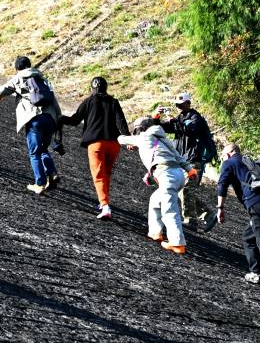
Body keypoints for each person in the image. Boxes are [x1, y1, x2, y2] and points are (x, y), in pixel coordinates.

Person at [119, 116, 198, 254]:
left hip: (166, 175)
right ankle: (155, 232)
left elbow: (122, 139)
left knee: (169, 209)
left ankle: (177, 243)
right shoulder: (162, 138)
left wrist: (124, 138)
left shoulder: (144, 137)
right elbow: (178, 156)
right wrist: (189, 169)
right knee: (155, 200)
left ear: (141, 129)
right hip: (178, 174)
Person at [216, 143, 260, 291]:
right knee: (248, 237)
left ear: (229, 153)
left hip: (256, 205)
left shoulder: (229, 163)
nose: (222, 158)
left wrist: (220, 208)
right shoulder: (249, 161)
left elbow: (222, 185)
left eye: (223, 155)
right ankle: (255, 273)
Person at [59, 77, 130, 220]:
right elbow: (121, 122)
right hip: (113, 144)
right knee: (107, 173)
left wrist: (59, 118)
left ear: (92, 88)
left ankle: (105, 206)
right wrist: (128, 139)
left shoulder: (89, 101)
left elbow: (75, 120)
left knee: (98, 175)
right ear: (106, 87)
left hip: (96, 143)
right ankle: (104, 201)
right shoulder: (113, 102)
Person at [0, 56, 62, 194]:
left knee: (34, 152)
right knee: (43, 149)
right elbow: (54, 101)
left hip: (34, 118)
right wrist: (58, 120)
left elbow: (0, 92)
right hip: (50, 118)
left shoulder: (19, 78)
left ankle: (40, 184)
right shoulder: (43, 79)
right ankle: (52, 172)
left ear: (17, 69)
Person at [157, 92, 217, 232]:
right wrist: (156, 118)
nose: (178, 107)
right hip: (182, 160)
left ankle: (190, 221)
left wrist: (175, 121)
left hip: (194, 160)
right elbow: (164, 128)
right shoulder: (180, 118)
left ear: (188, 103)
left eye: (181, 104)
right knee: (181, 191)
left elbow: (189, 129)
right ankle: (208, 214)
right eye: (177, 105)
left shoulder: (196, 118)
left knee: (187, 190)